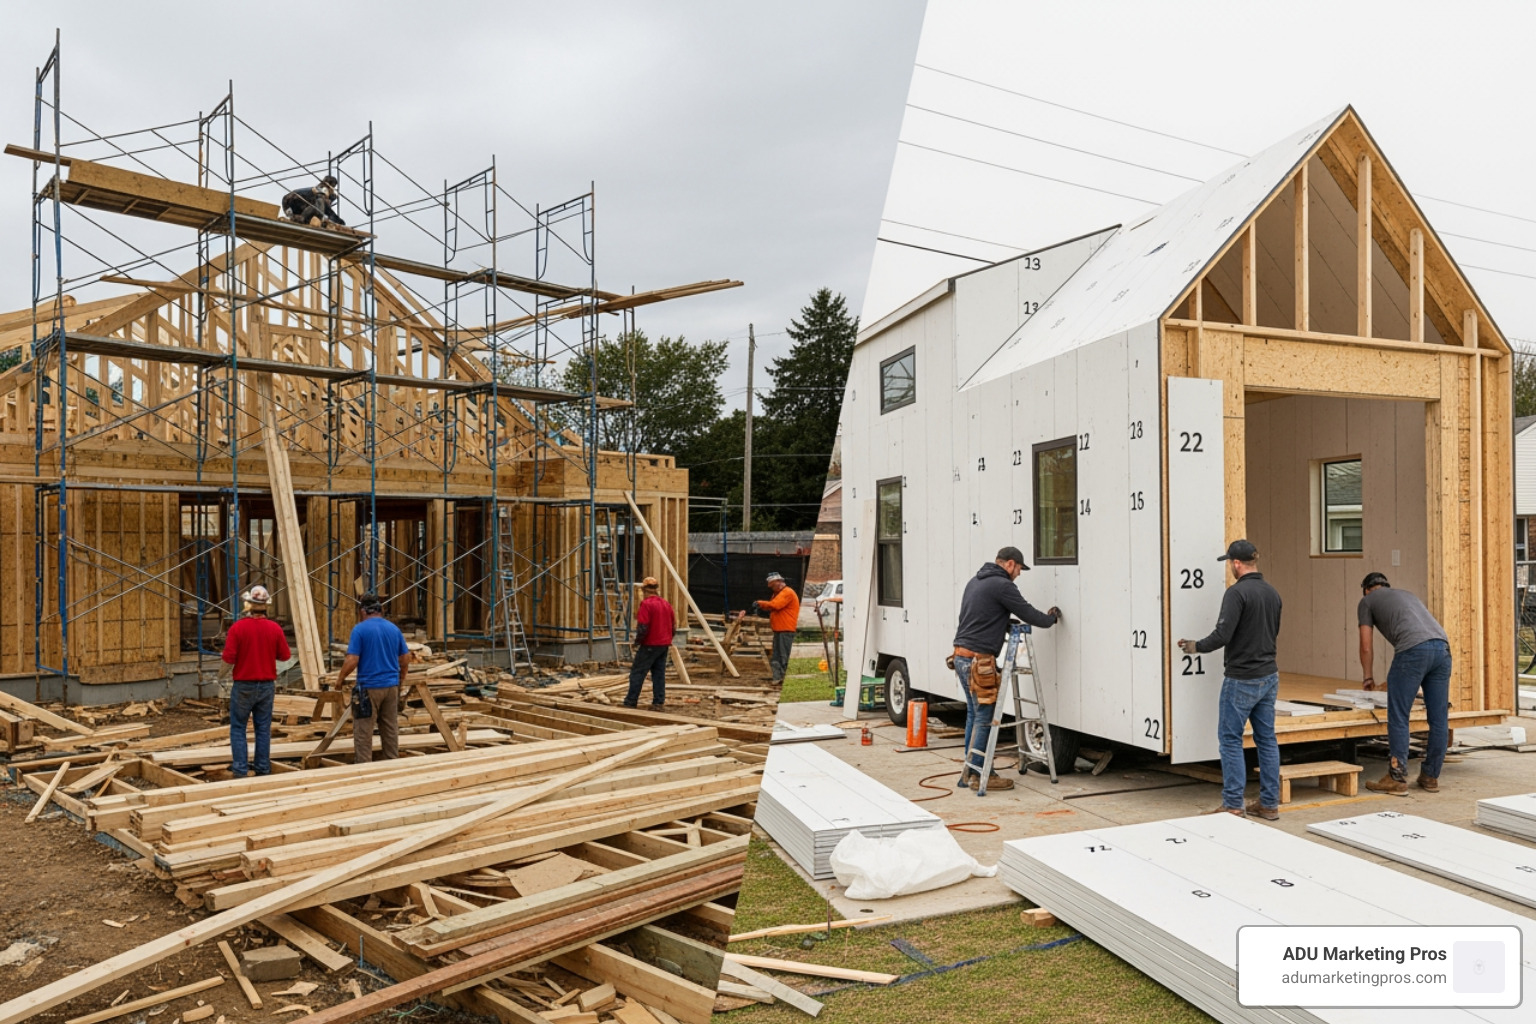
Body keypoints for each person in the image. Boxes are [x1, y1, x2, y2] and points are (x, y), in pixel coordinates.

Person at [1178, 539, 1283, 820]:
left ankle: (1234, 804)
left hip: (1242, 678)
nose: (1229, 568)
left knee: (1230, 739)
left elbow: (1222, 635)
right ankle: (1269, 804)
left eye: (1229, 563)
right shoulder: (1272, 593)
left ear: (1237, 563)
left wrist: (1195, 646)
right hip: (1269, 676)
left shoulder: (1236, 594)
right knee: (1267, 740)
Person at [951, 546, 1060, 792]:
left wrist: (1001, 620)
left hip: (960, 656)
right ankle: (982, 775)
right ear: (1010, 564)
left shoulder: (975, 581)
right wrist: (1050, 619)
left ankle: (969, 772)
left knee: (974, 714)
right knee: (985, 717)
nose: (1019, 574)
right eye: (1019, 568)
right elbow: (1028, 613)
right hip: (979, 662)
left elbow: (979, 615)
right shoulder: (1003, 585)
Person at [1357, 572, 1452, 795]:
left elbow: (1366, 646)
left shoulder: (1367, 601)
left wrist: (1368, 677)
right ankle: (1430, 776)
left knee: (1399, 714)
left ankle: (1396, 778)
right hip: (1442, 649)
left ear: (1367, 589)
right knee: (1438, 718)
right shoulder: (1407, 595)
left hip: (1413, 651)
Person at [220, 585, 289, 778]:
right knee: (263, 729)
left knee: (238, 728)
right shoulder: (275, 629)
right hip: (266, 685)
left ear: (248, 604)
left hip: (243, 685)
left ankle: (241, 770)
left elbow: (229, 658)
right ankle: (262, 768)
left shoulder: (238, 628)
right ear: (267, 605)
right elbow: (284, 656)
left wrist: (219, 677)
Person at [335, 594, 411, 763]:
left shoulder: (360, 630)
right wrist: (401, 679)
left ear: (362, 611)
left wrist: (340, 680)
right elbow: (405, 659)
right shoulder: (393, 629)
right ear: (380, 610)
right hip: (391, 687)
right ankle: (392, 765)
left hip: (369, 688)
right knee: (390, 730)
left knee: (364, 732)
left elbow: (352, 660)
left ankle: (364, 771)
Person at [625, 577, 675, 708]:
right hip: (663, 645)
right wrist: (668, 639)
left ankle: (631, 701)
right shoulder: (666, 604)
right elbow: (674, 626)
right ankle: (658, 701)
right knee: (659, 674)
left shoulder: (646, 604)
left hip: (650, 644)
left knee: (637, 673)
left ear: (644, 590)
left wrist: (638, 641)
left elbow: (643, 627)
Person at [754, 572, 801, 685]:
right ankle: (778, 677)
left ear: (779, 582)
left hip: (786, 629)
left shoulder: (787, 593)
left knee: (784, 655)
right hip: (780, 629)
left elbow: (776, 605)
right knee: (777, 655)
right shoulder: (778, 593)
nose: (771, 588)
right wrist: (763, 605)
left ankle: (786, 677)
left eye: (772, 585)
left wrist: (760, 603)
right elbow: (773, 605)